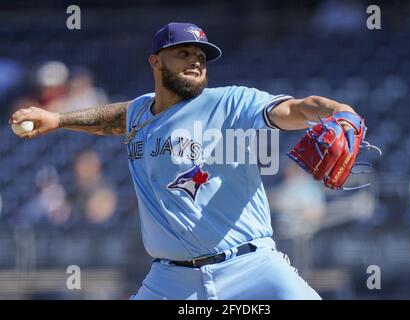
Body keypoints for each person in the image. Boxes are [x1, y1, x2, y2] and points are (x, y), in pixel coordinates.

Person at [9, 22, 359, 300]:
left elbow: (295, 108)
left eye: (201, 57)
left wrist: (340, 113)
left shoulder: (230, 103)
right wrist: (57, 120)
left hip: (250, 268)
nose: (195, 61)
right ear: (156, 61)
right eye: (184, 53)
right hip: (171, 280)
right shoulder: (140, 113)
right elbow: (116, 116)